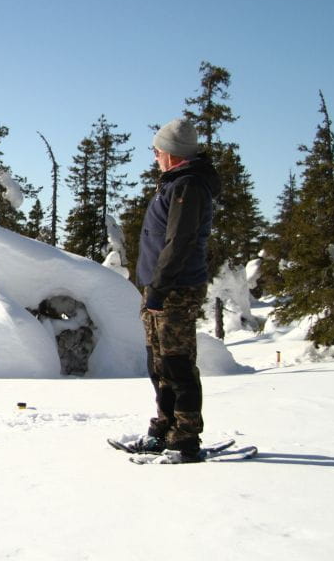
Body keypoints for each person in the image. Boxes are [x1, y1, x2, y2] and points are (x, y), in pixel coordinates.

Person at [134, 117, 221, 461]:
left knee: (176, 363)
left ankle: (185, 435)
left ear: (171, 153)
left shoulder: (188, 186)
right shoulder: (174, 183)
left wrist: (159, 287)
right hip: (159, 287)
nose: (155, 156)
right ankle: (165, 425)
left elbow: (180, 241)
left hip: (176, 288)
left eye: (157, 150)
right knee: (157, 363)